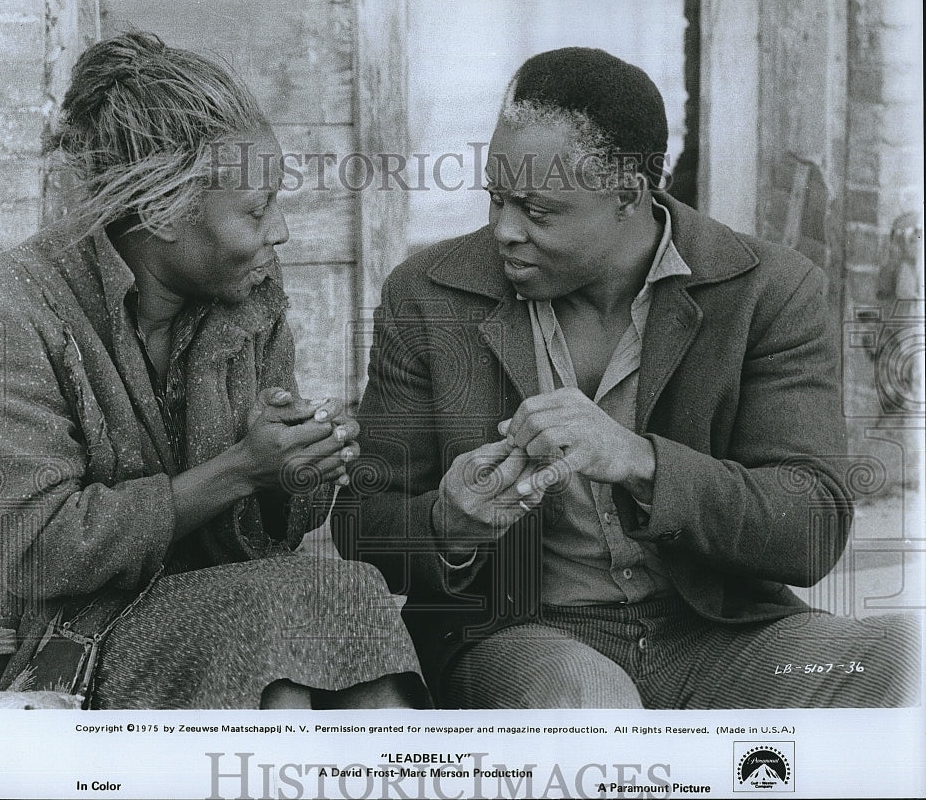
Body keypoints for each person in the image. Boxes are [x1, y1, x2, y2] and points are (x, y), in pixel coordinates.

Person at [334, 47, 920, 709]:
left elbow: (810, 528)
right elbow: (362, 524)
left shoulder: (770, 291)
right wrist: (450, 521)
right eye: (496, 198)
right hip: (526, 638)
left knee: (906, 660)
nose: (504, 230)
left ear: (630, 194)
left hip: (721, 636)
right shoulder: (429, 293)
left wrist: (640, 461)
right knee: (587, 704)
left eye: (538, 210)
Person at [0, 32, 428, 710]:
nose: (279, 232)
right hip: (72, 645)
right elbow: (38, 548)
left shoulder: (248, 293)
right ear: (163, 213)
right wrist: (238, 470)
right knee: (290, 624)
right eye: (256, 211)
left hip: (242, 611)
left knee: (338, 602)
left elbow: (275, 535)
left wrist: (298, 470)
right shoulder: (6, 314)